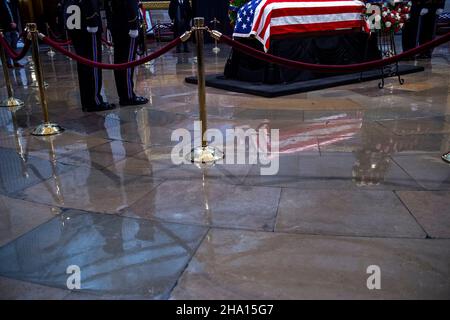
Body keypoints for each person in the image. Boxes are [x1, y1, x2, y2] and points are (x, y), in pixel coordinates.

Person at [65, 0, 115, 112]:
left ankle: (87, 101)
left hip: (75, 21)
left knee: (83, 64)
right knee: (93, 65)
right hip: (86, 22)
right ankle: (94, 101)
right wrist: (92, 21)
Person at [105, 0, 149, 106]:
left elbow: (108, 7)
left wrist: (111, 26)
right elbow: (130, 4)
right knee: (127, 64)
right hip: (128, 27)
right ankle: (128, 96)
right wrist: (134, 25)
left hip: (118, 26)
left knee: (119, 62)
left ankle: (123, 95)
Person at [0, 0, 23, 68]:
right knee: (7, 46)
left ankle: (16, 62)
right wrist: (9, 24)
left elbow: (15, 15)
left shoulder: (12, 2)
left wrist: (16, 24)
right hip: (5, 28)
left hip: (14, 28)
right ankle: (8, 63)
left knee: (14, 46)